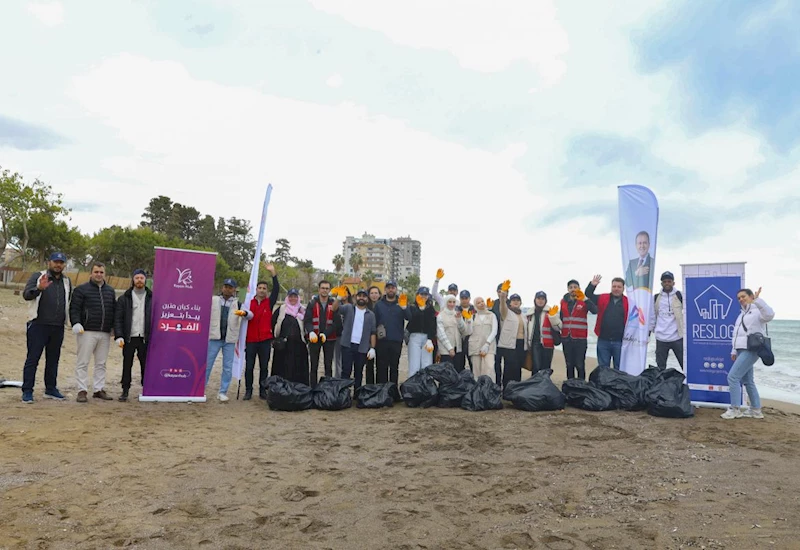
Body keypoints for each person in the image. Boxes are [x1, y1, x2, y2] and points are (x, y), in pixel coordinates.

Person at [20, 251, 72, 403]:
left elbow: (68, 301)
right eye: (55, 261)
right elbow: (27, 295)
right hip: (38, 325)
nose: (58, 265)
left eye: (61, 262)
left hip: (57, 326)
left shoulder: (67, 281)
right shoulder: (39, 276)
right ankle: (27, 391)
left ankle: (50, 389)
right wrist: (39, 289)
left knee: (53, 359)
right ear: (49, 262)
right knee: (33, 359)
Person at [721, 287, 774, 420]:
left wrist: (758, 301)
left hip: (751, 349)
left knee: (732, 377)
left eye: (743, 296)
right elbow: (736, 334)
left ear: (751, 297)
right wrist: (734, 350)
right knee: (748, 380)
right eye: (739, 298)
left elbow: (770, 314)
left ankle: (734, 409)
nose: (741, 299)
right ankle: (756, 410)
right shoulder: (741, 315)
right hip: (740, 350)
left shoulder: (757, 312)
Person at [69, 262, 117, 402]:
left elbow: (113, 310)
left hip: (104, 332)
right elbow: (74, 309)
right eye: (96, 272)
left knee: (101, 363)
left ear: (105, 274)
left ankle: (98, 389)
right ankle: (82, 390)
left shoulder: (110, 291)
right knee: (83, 362)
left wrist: (114, 328)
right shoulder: (81, 290)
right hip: (86, 331)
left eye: (101, 272)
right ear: (91, 273)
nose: (99, 274)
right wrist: (76, 323)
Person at [113, 268, 152, 402]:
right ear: (133, 279)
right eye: (137, 278)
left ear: (145, 280)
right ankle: (125, 390)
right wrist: (119, 335)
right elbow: (118, 318)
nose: (139, 280)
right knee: (127, 364)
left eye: (142, 278)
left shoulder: (152, 298)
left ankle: (146, 389)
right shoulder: (125, 298)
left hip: (145, 337)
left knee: (146, 364)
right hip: (129, 337)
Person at [241, 264, 279, 400]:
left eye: (264, 288)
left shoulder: (269, 302)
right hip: (250, 340)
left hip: (265, 340)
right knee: (249, 367)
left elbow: (277, 290)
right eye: (260, 288)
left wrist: (273, 273)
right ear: (256, 289)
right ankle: (248, 391)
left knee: (264, 367)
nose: (262, 290)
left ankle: (263, 390)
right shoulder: (248, 302)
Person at [206, 278, 244, 402]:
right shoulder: (213, 300)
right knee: (207, 364)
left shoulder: (238, 303)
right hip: (214, 337)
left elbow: (250, 315)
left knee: (227, 367)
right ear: (222, 288)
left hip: (229, 339)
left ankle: (223, 391)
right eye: (226, 286)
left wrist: (245, 313)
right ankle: (201, 389)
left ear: (234, 289)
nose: (227, 289)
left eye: (230, 287)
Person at [334, 288, 377, 390]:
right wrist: (338, 298)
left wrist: (372, 348)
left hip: (362, 348)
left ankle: (357, 395)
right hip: (347, 345)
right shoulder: (349, 308)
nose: (361, 298)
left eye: (364, 296)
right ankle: (344, 394)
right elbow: (334, 308)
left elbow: (373, 332)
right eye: (359, 295)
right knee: (346, 371)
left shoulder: (370, 315)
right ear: (355, 297)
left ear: (367, 299)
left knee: (358, 372)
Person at [585, 274, 628, 370]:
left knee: (619, 368)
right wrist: (592, 285)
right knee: (604, 368)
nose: (616, 289)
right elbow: (588, 294)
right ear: (611, 287)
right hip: (603, 340)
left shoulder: (628, 302)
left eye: (619, 287)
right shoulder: (603, 297)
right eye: (614, 286)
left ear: (623, 288)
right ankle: (604, 385)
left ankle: (618, 385)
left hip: (620, 341)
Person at [373, 280, 411, 387]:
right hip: (382, 341)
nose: (390, 289)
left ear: (396, 289)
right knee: (381, 367)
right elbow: (374, 322)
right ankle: (381, 392)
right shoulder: (379, 305)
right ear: (385, 289)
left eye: (393, 287)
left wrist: (404, 308)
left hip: (396, 340)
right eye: (388, 287)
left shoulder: (401, 302)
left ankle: (393, 392)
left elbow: (409, 317)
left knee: (394, 368)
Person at [560, 279, 597, 380]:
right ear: (568, 289)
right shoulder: (563, 302)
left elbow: (594, 311)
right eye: (571, 287)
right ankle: (570, 385)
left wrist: (585, 299)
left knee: (580, 364)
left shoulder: (584, 301)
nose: (573, 289)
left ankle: (581, 386)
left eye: (575, 287)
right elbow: (561, 318)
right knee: (569, 364)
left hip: (580, 338)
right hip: (566, 338)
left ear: (579, 288)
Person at [271, 289, 309, 385]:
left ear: (298, 297)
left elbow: (308, 325)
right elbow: (272, 323)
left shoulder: (303, 310)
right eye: (291, 296)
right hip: (283, 346)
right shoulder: (281, 309)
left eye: (295, 296)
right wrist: (273, 339)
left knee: (298, 369)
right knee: (281, 369)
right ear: (287, 297)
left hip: (299, 346)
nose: (293, 298)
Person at [649, 271, 684, 371]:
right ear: (661, 283)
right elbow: (652, 316)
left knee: (685, 365)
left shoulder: (680, 295)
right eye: (665, 281)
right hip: (661, 338)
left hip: (678, 337)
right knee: (661, 368)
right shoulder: (655, 298)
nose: (667, 283)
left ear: (673, 283)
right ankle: (661, 386)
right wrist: (648, 334)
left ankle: (687, 384)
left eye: (669, 281)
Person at [304, 280, 338, 386]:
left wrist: (326, 334)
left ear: (329, 290)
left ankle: (327, 388)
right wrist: (311, 332)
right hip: (314, 339)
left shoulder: (334, 304)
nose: (325, 290)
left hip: (329, 339)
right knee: (313, 365)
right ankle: (313, 388)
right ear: (319, 289)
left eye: (327, 288)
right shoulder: (312, 303)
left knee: (328, 365)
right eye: (323, 288)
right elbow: (307, 320)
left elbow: (336, 323)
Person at [497, 282, 529, 388]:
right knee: (509, 367)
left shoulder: (524, 316)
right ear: (510, 302)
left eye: (517, 300)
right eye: (513, 300)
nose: (515, 302)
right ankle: (506, 389)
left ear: (520, 302)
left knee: (518, 367)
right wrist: (503, 294)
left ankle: (516, 388)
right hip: (510, 344)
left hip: (521, 344)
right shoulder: (506, 312)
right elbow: (502, 303)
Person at [527, 291, 562, 373]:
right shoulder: (530, 313)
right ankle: (535, 384)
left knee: (546, 367)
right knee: (536, 366)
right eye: (538, 298)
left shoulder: (550, 311)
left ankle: (545, 383)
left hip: (548, 344)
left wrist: (553, 317)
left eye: (543, 299)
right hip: (535, 343)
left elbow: (559, 327)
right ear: (535, 300)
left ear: (546, 301)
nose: (540, 301)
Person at [406, 286, 437, 377]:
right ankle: (412, 388)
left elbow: (432, 325)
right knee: (414, 365)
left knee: (427, 364)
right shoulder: (412, 308)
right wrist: (420, 310)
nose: (423, 296)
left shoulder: (431, 309)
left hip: (427, 338)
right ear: (417, 295)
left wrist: (430, 338)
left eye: (425, 294)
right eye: (421, 294)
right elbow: (411, 322)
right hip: (414, 337)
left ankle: (425, 387)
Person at [436, 294, 471, 368]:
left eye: (453, 302)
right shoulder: (440, 316)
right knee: (448, 374)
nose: (452, 304)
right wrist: (450, 348)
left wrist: (459, 320)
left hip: (458, 349)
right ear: (446, 302)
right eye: (449, 302)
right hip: (446, 350)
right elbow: (441, 334)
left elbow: (464, 331)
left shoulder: (457, 314)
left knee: (458, 371)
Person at [467, 297, 498, 379]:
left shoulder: (491, 315)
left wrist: (487, 344)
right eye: (478, 302)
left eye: (482, 301)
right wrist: (469, 322)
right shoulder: (473, 316)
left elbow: (494, 331)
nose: (481, 303)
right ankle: (479, 390)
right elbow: (469, 332)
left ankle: (490, 390)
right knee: (477, 372)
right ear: (475, 305)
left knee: (489, 369)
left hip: (489, 346)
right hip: (475, 346)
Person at [363, 285, 382, 384]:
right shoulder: (365, 307)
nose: (374, 295)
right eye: (372, 293)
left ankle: (379, 387)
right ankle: (369, 386)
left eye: (376, 293)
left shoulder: (383, 305)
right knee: (369, 365)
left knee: (380, 365)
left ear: (379, 295)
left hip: (381, 338)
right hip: (368, 339)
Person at [456, 290, 476, 372]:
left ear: (469, 298)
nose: (464, 300)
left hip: (471, 339)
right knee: (459, 364)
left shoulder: (474, 310)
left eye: (466, 298)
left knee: (472, 363)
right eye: (462, 298)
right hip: (459, 338)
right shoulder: (456, 309)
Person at [490, 283, 503, 385]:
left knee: (509, 364)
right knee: (496, 363)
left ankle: (507, 386)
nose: (501, 292)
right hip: (495, 337)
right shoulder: (493, 303)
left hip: (508, 338)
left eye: (504, 290)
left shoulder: (510, 303)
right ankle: (497, 385)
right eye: (499, 291)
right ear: (497, 292)